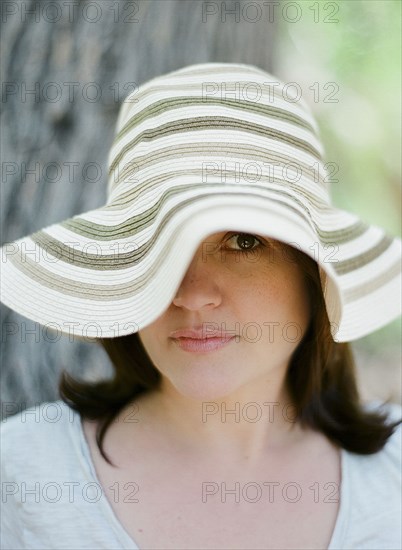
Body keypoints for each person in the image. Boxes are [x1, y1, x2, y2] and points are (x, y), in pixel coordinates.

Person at [1, 62, 401, 550]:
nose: (190, 294)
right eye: (157, 246)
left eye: (244, 242)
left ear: (313, 275)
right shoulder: (22, 477)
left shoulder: (393, 482)